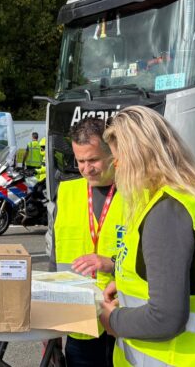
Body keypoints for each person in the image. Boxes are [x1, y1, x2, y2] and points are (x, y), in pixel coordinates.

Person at [100, 106, 195, 367]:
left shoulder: (166, 213)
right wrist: (124, 286)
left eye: (118, 159)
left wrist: (112, 320)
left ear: (139, 157)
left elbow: (166, 317)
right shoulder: (191, 199)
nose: (117, 167)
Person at [52, 117, 121, 366]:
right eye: (80, 161)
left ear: (113, 153)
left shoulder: (136, 192)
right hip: (78, 319)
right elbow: (54, 259)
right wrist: (51, 328)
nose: (86, 168)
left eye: (93, 160)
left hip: (123, 317)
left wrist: (112, 264)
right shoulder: (67, 193)